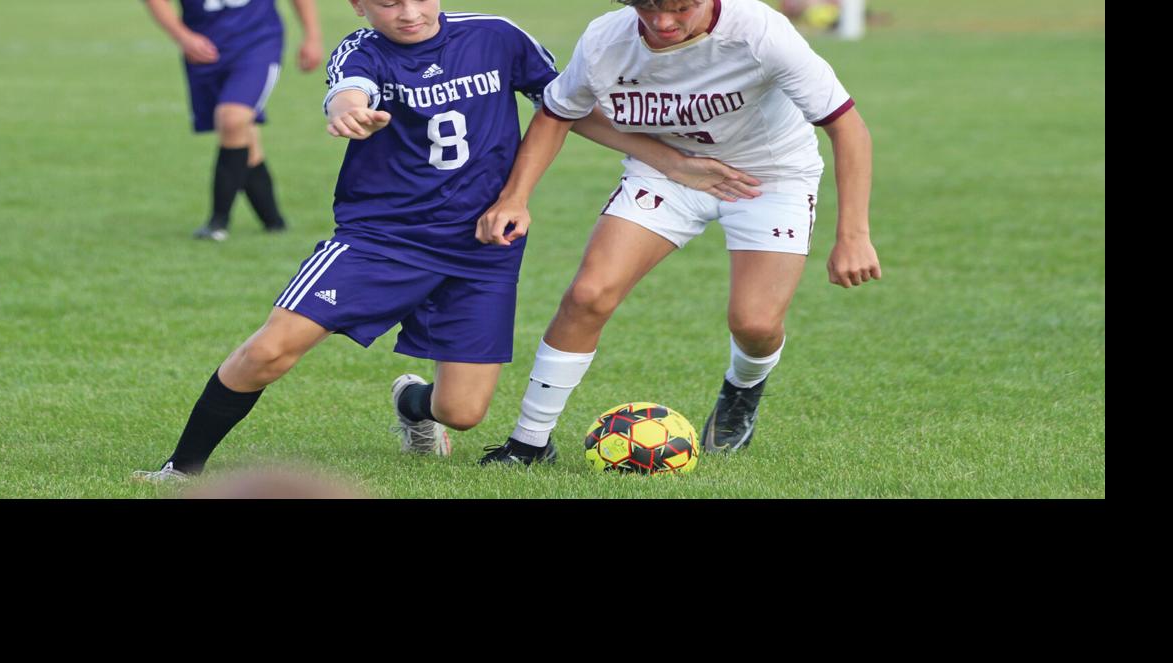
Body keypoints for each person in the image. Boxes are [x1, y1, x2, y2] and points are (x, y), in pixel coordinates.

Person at [136, 0, 758, 482]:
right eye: (385, 3)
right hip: (383, 238)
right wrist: (350, 110)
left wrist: (672, 162)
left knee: (462, 413)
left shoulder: (497, 36)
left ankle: (413, 407)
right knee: (271, 350)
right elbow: (348, 90)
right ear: (358, 6)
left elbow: (565, 108)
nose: (406, 13)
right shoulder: (363, 51)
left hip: (483, 246)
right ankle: (179, 469)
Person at [474, 0, 880, 467]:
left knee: (755, 324)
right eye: (647, 8)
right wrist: (514, 197)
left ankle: (742, 390)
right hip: (668, 173)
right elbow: (556, 113)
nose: (663, 23)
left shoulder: (760, 33)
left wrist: (853, 234)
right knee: (588, 294)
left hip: (769, 177)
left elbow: (847, 127)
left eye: (680, 8)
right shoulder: (607, 40)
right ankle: (529, 443)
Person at [143, 0, 325, 241]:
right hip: (206, 48)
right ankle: (273, 221)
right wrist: (183, 36)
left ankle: (218, 222)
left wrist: (312, 36)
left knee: (232, 119)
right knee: (242, 135)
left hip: (258, 42)